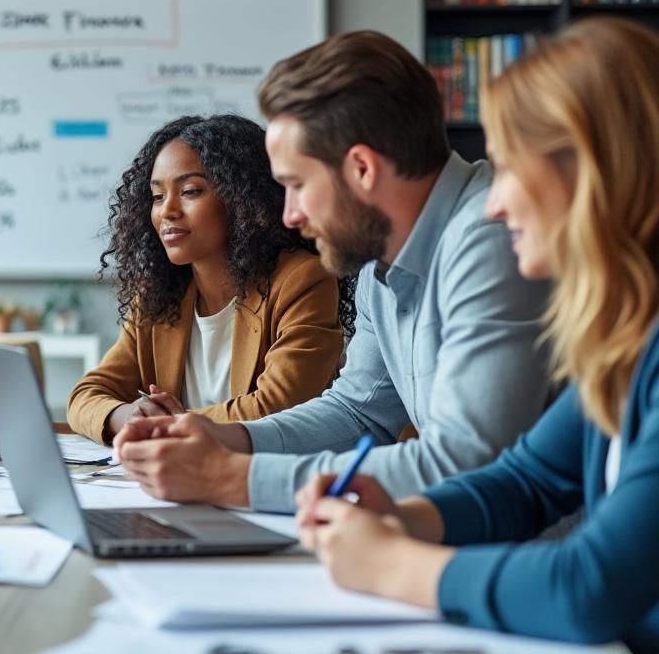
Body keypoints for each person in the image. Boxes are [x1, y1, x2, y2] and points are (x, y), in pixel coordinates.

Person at [296, 17, 659, 651]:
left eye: (512, 167)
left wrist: (391, 564)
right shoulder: (628, 337)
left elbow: (588, 587)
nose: (495, 202)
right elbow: (529, 480)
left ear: (589, 174)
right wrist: (400, 516)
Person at [114, 30, 553, 513]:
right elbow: (358, 412)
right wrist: (227, 437)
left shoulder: (492, 238)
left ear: (362, 169)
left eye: (298, 185)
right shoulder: (379, 257)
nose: (289, 216)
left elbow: (467, 461)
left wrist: (232, 478)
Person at [67, 114, 352, 444]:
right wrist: (128, 416)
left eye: (190, 191)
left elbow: (279, 406)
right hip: (179, 480)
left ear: (242, 199)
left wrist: (166, 426)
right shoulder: (159, 296)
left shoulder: (303, 279)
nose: (167, 211)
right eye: (158, 196)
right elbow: (86, 396)